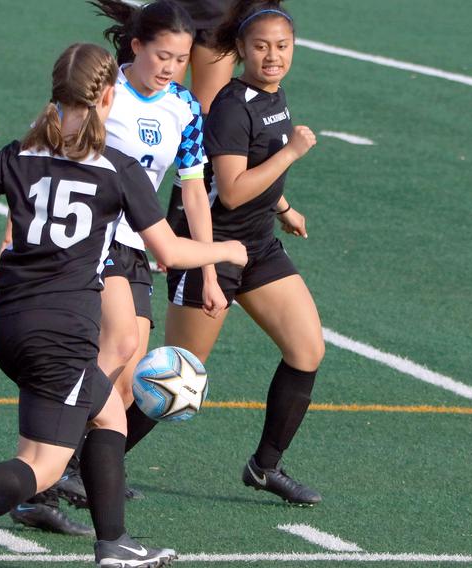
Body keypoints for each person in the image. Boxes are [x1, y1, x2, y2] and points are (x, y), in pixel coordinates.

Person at [0, 42, 247, 568]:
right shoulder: (117, 169)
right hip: (61, 333)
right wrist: (227, 249)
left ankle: (114, 544)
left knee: (107, 418)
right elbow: (168, 250)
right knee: (42, 466)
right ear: (107, 95)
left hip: (10, 324)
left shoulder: (17, 154)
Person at [127, 0, 328, 506]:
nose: (273, 56)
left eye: (282, 46)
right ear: (239, 51)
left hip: (257, 245)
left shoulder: (273, 97)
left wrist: (283, 205)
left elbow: (249, 177)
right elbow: (232, 189)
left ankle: (265, 466)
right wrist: (293, 153)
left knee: (307, 351)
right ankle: (81, 466)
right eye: (261, 47)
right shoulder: (233, 106)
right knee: (175, 376)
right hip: (210, 250)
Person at [165, 0, 237, 232]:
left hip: (218, 14)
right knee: (158, 108)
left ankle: (177, 231)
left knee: (203, 124)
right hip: (174, 11)